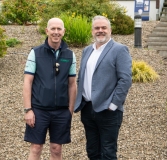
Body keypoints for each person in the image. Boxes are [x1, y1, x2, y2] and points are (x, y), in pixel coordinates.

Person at [74, 15, 132, 160]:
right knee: (92, 151)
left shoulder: (119, 50)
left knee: (108, 152)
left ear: (110, 30)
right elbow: (82, 77)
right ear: (92, 31)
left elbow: (125, 79)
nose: (100, 31)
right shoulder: (87, 50)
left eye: (103, 27)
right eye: (97, 28)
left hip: (108, 111)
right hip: (87, 108)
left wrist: (113, 105)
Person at [23, 17, 77, 160]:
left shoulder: (70, 55)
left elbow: (72, 84)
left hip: (61, 111)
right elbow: (27, 82)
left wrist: (69, 111)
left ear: (64, 32)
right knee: (36, 148)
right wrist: (28, 110)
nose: (56, 32)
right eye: (53, 29)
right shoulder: (35, 53)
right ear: (47, 31)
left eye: (59, 29)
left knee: (56, 149)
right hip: (39, 110)